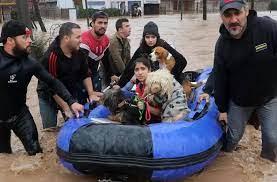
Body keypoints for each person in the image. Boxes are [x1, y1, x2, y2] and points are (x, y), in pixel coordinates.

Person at [0, 20, 84, 155]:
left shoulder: (29, 63)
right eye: (24, 37)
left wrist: (71, 102)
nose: (30, 41)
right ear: (10, 40)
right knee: (4, 158)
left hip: (20, 115)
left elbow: (52, 81)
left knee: (36, 153)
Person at [214, 0, 277, 162]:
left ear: (247, 11)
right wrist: (222, 109)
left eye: (237, 13)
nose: (233, 19)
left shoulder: (268, 28)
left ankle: (266, 163)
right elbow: (220, 78)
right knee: (232, 140)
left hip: (268, 97)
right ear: (221, 17)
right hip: (240, 101)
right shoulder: (222, 45)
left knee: (272, 139)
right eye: (228, 15)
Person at [37, 22, 102, 129]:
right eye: (77, 37)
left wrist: (90, 93)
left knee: (76, 122)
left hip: (69, 93)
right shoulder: (51, 57)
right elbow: (52, 86)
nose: (81, 40)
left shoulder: (79, 52)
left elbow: (85, 74)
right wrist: (66, 108)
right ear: (66, 38)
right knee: (50, 129)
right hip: (49, 96)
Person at [118, 21, 187, 87]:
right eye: (147, 37)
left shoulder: (163, 45)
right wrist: (119, 85)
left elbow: (182, 61)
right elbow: (129, 69)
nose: (150, 40)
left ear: (157, 37)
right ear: (144, 38)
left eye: (153, 37)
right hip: (150, 79)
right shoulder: (141, 49)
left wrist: (170, 75)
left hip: (166, 78)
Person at [80, 11, 110, 92]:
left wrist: (112, 75)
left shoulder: (106, 40)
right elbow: (83, 67)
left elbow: (106, 60)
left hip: (95, 72)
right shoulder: (84, 41)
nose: (103, 26)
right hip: (80, 75)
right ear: (92, 23)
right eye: (99, 23)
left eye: (105, 23)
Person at [108, 18, 131, 82]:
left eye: (129, 26)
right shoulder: (114, 41)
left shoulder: (126, 40)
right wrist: (126, 75)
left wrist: (132, 70)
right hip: (113, 74)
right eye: (127, 26)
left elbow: (129, 59)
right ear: (120, 30)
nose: (130, 28)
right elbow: (117, 60)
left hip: (122, 72)